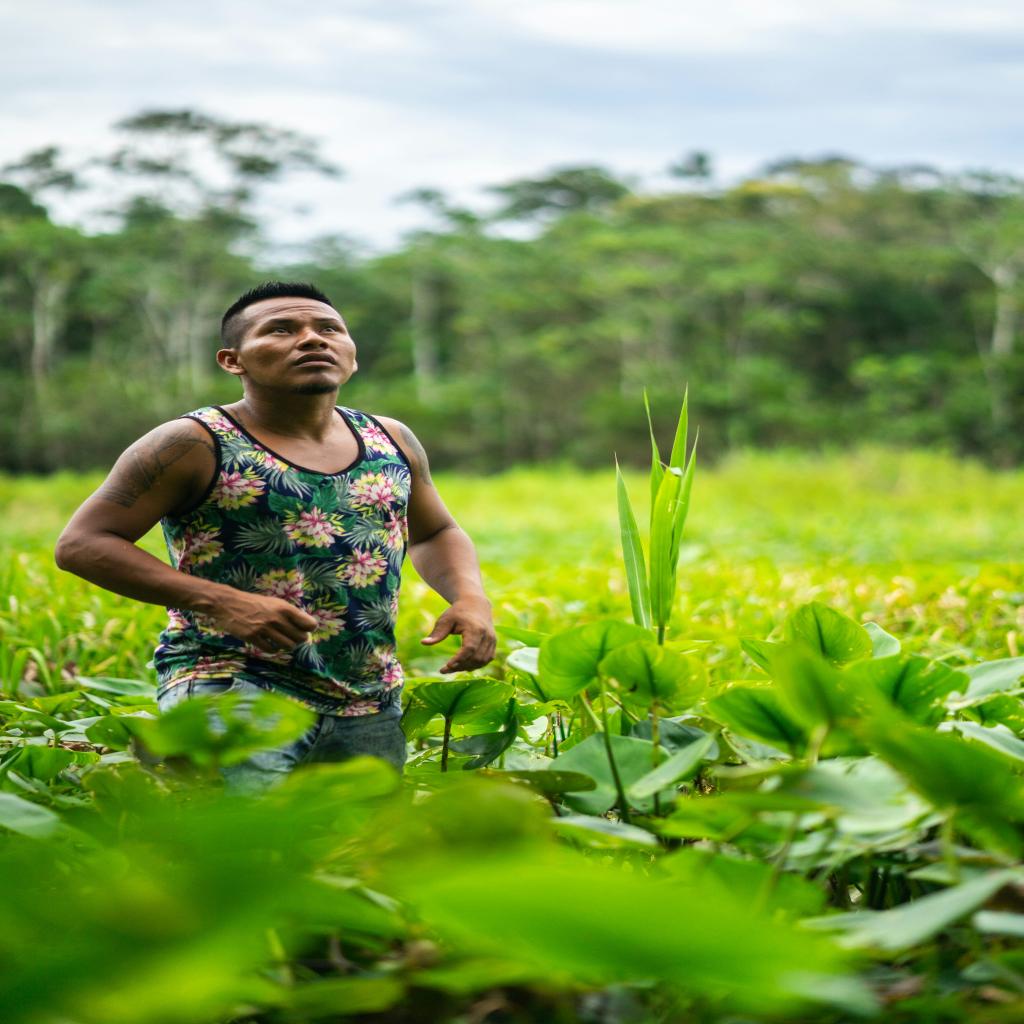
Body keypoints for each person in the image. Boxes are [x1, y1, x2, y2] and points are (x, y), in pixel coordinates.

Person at [54, 281, 496, 792]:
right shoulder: (193, 443)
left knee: (357, 844)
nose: (312, 339)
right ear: (232, 360)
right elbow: (83, 544)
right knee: (242, 839)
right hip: (232, 686)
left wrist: (470, 598)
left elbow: (436, 531)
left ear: (352, 356)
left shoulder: (390, 438)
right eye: (282, 329)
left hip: (368, 701)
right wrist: (222, 602)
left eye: (329, 329)